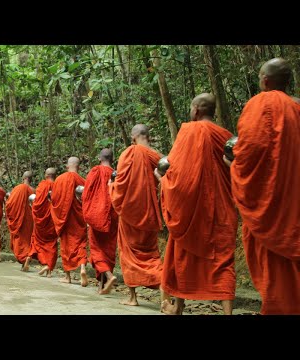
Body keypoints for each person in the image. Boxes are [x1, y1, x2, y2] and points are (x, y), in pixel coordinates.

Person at [225, 58, 300, 315]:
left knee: (275, 271)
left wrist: (233, 166)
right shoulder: (297, 108)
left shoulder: (261, 104)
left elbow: (249, 151)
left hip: (269, 206)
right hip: (295, 202)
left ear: (265, 81)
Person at [156, 94, 237, 315]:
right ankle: (227, 312)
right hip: (221, 211)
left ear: (196, 110)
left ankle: (178, 306)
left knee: (183, 257)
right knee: (223, 261)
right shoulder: (226, 136)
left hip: (191, 211)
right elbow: (235, 170)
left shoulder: (188, 132)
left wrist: (162, 179)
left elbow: (177, 175)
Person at [110, 125, 165, 306]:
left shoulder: (128, 154)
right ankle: (164, 285)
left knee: (127, 254)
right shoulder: (157, 157)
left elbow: (120, 186)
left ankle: (133, 298)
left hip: (129, 216)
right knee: (151, 254)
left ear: (133, 138)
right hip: (149, 215)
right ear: (148, 137)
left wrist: (110, 187)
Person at [83, 149, 118, 294]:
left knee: (97, 250)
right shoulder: (116, 174)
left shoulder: (95, 171)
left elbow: (87, 194)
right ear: (113, 159)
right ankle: (101, 285)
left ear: (99, 158)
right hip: (113, 217)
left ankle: (109, 276)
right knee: (108, 250)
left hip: (96, 216)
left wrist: (87, 215)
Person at [51, 157, 88, 286]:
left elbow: (55, 200)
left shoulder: (60, 179)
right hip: (79, 219)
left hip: (65, 220)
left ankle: (68, 276)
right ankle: (83, 268)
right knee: (80, 244)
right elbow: (87, 201)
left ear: (67, 166)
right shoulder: (83, 181)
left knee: (66, 246)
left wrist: (58, 215)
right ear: (79, 167)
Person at [23, 168, 58, 277]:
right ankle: (48, 268)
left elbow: (36, 204)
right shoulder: (58, 186)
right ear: (55, 175)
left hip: (40, 222)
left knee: (36, 241)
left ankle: (28, 258)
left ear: (45, 175)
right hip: (52, 220)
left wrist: (36, 216)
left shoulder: (42, 186)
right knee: (51, 243)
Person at [5, 171, 34, 269]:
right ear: (31, 179)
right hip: (30, 220)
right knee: (27, 239)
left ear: (23, 178)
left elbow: (9, 204)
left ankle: (24, 259)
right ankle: (27, 258)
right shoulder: (34, 190)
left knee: (19, 240)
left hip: (18, 219)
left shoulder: (17, 189)